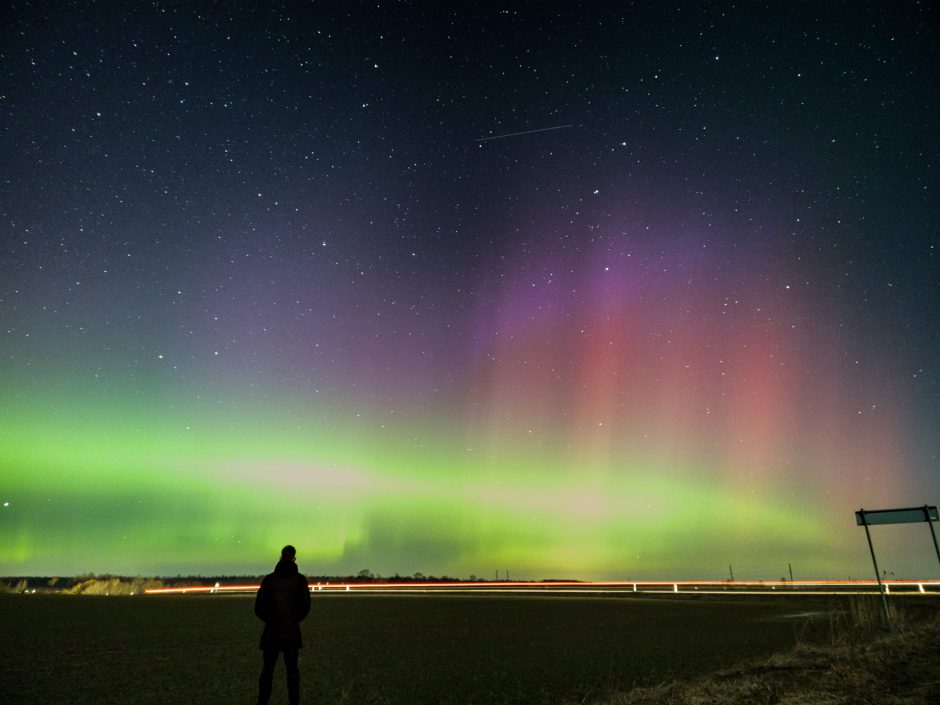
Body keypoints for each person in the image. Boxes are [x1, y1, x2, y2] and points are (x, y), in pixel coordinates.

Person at [255, 545, 311, 705]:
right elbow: (306, 607)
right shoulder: (300, 580)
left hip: (271, 633)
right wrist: (293, 620)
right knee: (292, 671)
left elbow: (258, 608)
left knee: (267, 671)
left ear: (280, 558)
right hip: (292, 633)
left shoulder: (269, 580)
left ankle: (262, 702)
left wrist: (272, 620)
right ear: (294, 558)